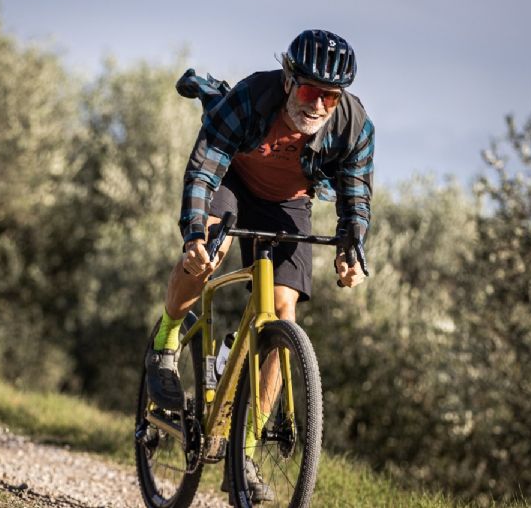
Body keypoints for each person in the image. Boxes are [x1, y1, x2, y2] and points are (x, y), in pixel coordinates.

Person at [146, 29, 374, 502]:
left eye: (330, 96)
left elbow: (356, 200)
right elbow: (204, 169)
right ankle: (167, 340)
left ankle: (243, 455)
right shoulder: (252, 97)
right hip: (232, 179)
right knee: (210, 252)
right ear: (290, 80)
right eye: (310, 90)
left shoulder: (353, 126)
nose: (318, 104)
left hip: (287, 202)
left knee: (281, 310)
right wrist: (194, 234)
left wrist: (352, 251)